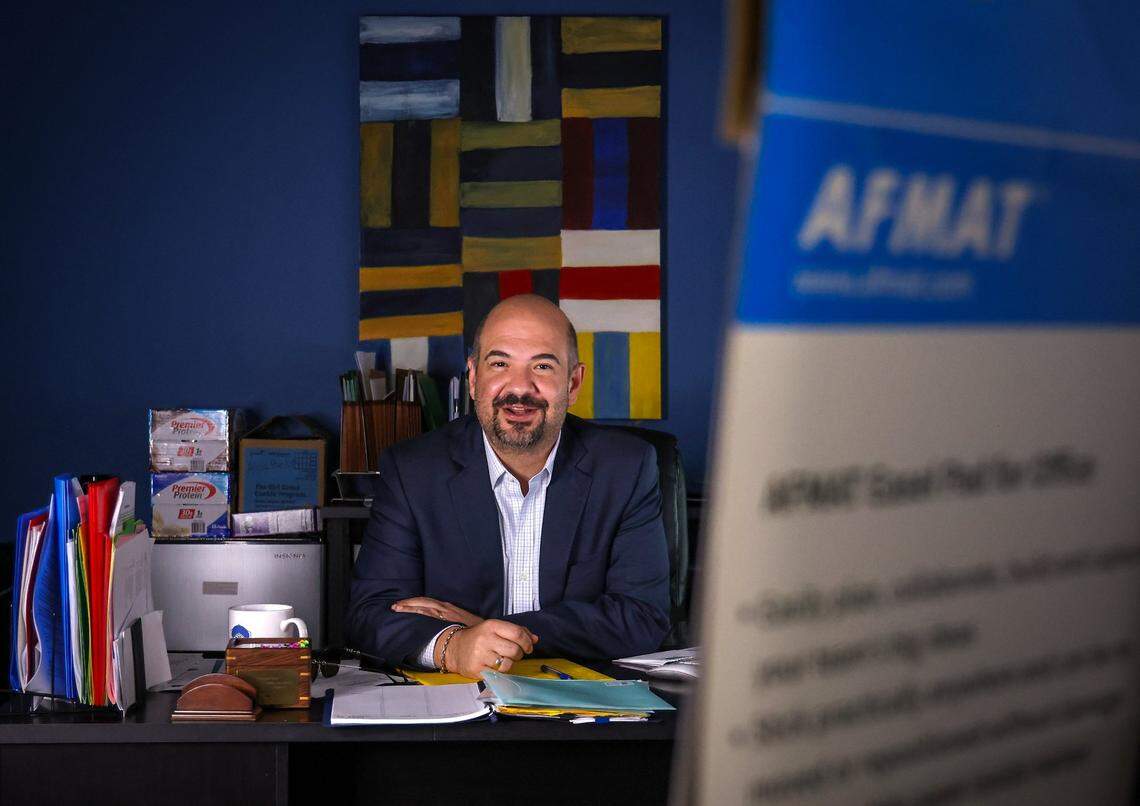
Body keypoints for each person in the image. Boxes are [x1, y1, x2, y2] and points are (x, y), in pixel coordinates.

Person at [346, 294, 670, 678]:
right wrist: (452, 648)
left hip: (582, 698)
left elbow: (642, 617)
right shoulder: (413, 470)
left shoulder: (626, 467)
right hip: (456, 702)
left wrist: (489, 631)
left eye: (543, 366)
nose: (519, 387)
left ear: (573, 383)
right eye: (500, 363)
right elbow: (371, 613)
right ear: (473, 378)